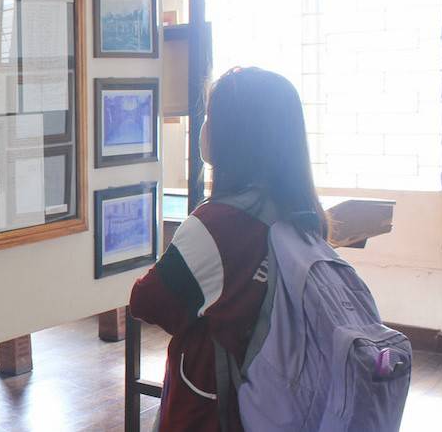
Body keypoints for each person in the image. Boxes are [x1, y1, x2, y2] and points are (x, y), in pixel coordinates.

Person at [129, 67, 329, 432]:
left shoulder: (216, 224)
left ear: (234, 136)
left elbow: (147, 301)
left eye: (210, 117)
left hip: (211, 408)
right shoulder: (305, 215)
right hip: (279, 406)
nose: (204, 128)